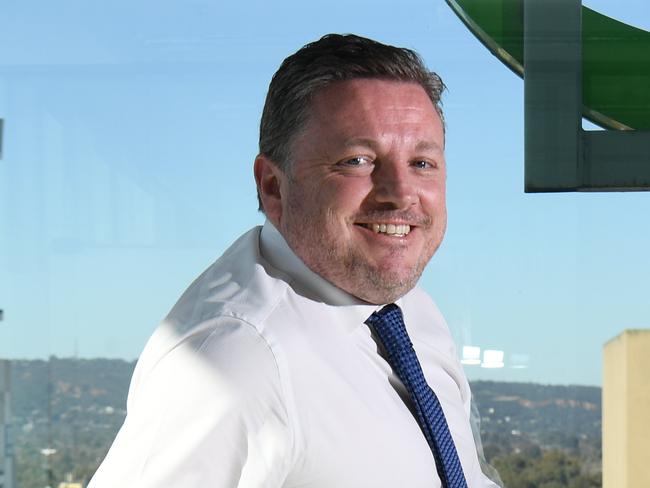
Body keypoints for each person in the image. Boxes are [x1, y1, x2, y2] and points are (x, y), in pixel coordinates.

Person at [90, 33, 500, 487]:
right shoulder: (233, 359)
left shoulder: (407, 312)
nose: (401, 193)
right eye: (358, 160)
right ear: (272, 186)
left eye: (422, 163)